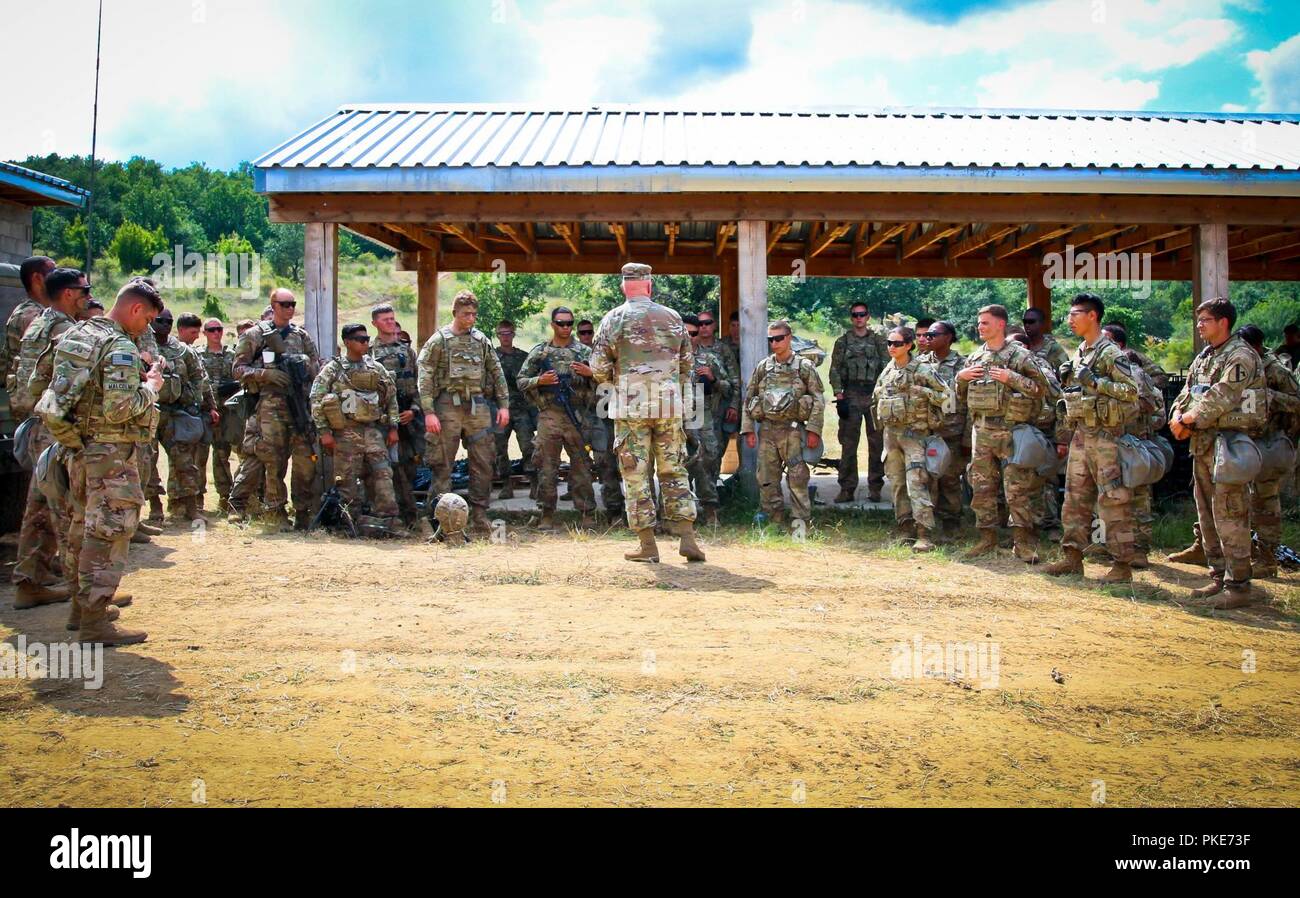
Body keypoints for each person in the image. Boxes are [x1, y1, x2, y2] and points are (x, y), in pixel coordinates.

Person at [38, 277, 166, 645]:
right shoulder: (120, 346)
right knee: (109, 532)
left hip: (77, 447)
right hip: (110, 454)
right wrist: (150, 387)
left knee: (81, 528)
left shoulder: (78, 334)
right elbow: (119, 408)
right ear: (135, 308)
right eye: (147, 319)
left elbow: (47, 388)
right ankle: (95, 621)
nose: (146, 328)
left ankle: (81, 610)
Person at [590, 262, 704, 563]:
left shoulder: (613, 319)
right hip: (668, 405)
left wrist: (619, 380)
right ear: (649, 286)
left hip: (631, 407)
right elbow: (687, 364)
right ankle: (687, 539)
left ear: (623, 286)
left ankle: (648, 545)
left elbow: (598, 367)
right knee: (674, 469)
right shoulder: (673, 317)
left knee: (636, 473)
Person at [1169, 298, 1269, 608]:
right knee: (1207, 514)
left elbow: (1222, 395)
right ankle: (1218, 576)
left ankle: (1238, 586)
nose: (1199, 325)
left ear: (1223, 322)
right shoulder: (1205, 356)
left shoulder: (1240, 355)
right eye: (1199, 319)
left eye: (1205, 320)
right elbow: (1187, 391)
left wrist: (1188, 419)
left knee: (1231, 514)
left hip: (1230, 445)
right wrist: (1176, 416)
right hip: (1203, 444)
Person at [1043, 293, 1141, 582]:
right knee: (1074, 498)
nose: (1069, 320)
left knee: (1112, 499)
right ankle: (1072, 557)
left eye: (1075, 314)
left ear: (1092, 316)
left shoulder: (1110, 353)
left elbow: (1131, 392)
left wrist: (1095, 381)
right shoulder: (1081, 351)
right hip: (1081, 434)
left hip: (1105, 437)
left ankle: (1122, 565)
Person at [9, 267, 88, 608]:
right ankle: (85, 595)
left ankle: (29, 582)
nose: (88, 296)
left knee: (38, 508)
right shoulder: (64, 329)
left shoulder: (38, 323)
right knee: (68, 510)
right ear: (69, 293)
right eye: (84, 290)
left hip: (37, 424)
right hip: (55, 428)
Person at [957, 304, 1050, 561]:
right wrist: (961, 378)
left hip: (1012, 431)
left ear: (1000, 324)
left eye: (985, 322)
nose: (980, 327)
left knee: (1017, 489)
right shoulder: (975, 358)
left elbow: (1042, 389)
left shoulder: (1020, 356)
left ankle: (1022, 542)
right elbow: (962, 397)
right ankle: (987, 539)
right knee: (982, 487)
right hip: (982, 431)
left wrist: (1012, 378)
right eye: (979, 323)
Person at [417, 290, 510, 535]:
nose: (471, 318)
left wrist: (503, 405)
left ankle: (479, 515)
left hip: (477, 407)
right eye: (466, 314)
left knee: (483, 461)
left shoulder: (481, 340)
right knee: (442, 463)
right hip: (447, 406)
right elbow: (425, 375)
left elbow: (496, 372)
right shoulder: (439, 340)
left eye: (474, 314)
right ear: (454, 313)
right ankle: (440, 520)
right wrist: (429, 411)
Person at [227, 288, 321, 530]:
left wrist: (302, 369)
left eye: (293, 304)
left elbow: (316, 367)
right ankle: (275, 512)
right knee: (273, 461)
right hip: (269, 406)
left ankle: (303, 512)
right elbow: (237, 369)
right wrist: (264, 374)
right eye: (284, 304)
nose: (290, 309)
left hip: (298, 405)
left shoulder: (301, 336)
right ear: (274, 306)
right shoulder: (255, 334)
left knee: (305, 460)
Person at [310, 324, 405, 534]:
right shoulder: (333, 369)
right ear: (347, 342)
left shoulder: (375, 368)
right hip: (345, 432)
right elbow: (316, 399)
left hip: (372, 431)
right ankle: (349, 523)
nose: (365, 343)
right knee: (347, 481)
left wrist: (393, 427)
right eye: (360, 339)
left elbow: (391, 397)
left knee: (383, 475)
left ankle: (388, 521)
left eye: (366, 339)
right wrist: (324, 432)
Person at [872, 326, 954, 552]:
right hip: (892, 436)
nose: (892, 347)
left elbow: (947, 397)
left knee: (917, 484)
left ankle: (924, 534)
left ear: (909, 345)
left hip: (915, 436)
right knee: (898, 484)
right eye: (889, 343)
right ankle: (905, 528)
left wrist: (922, 392)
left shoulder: (922, 369)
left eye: (897, 343)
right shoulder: (888, 369)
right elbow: (877, 394)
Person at [742, 318, 825, 531]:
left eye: (779, 338)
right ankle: (773, 519)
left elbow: (818, 399)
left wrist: (814, 430)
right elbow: (749, 397)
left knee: (797, 477)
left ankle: (800, 522)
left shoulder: (804, 366)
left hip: (793, 431)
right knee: (766, 477)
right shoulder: (764, 366)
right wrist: (748, 429)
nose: (774, 343)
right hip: (768, 430)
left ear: (789, 338)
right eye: (770, 339)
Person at [518, 307, 597, 530]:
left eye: (569, 323)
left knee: (581, 465)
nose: (565, 327)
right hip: (549, 414)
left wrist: (591, 374)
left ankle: (586, 513)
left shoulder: (584, 352)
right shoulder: (540, 352)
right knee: (546, 466)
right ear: (552, 324)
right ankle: (546, 514)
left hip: (577, 415)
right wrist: (539, 381)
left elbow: (606, 378)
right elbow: (521, 381)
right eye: (561, 323)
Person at [1238, 325, 1300, 579]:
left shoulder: (1275, 369)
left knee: (1265, 502)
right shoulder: (1242, 364)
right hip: (1244, 442)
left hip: (1269, 443)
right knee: (1242, 502)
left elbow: (1297, 402)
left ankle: (1267, 558)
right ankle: (1248, 552)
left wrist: (1271, 396)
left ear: (1256, 345)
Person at [148, 310, 217, 522]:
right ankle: (155, 507)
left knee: (185, 461)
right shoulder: (141, 346)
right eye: (159, 320)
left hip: (175, 413)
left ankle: (191, 508)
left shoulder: (182, 350)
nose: (164, 324)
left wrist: (197, 401)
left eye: (168, 321)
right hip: (148, 411)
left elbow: (199, 376)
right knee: (147, 460)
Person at [369, 303, 428, 529]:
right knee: (386, 470)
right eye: (385, 319)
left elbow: (419, 386)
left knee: (410, 467)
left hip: (408, 421)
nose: (390, 323)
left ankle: (410, 515)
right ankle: (393, 515)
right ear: (375, 323)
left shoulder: (407, 352)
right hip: (383, 422)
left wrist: (413, 410)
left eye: (392, 318)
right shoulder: (369, 353)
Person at [830, 301, 888, 503]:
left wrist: (884, 395)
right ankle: (847, 488)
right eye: (855, 315)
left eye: (862, 314)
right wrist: (839, 395)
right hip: (851, 394)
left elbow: (887, 368)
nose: (859, 318)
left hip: (873, 395)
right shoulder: (843, 341)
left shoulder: (879, 341)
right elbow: (835, 370)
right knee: (848, 444)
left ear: (868, 316)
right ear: (851, 318)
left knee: (877, 444)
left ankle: (875, 487)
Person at [683, 314, 734, 526]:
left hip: (703, 416)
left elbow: (728, 387)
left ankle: (710, 510)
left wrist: (713, 380)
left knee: (708, 460)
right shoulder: (668, 361)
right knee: (678, 463)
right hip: (677, 418)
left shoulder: (709, 359)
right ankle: (679, 513)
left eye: (693, 334)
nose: (690, 337)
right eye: (685, 333)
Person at [917, 320, 967, 537]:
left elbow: (970, 403)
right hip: (924, 430)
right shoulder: (919, 363)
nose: (927, 338)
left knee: (949, 479)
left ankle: (951, 522)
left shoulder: (963, 365)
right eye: (925, 335)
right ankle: (925, 523)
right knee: (924, 478)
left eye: (932, 335)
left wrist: (967, 437)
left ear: (948, 337)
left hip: (951, 431)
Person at [492, 318, 537, 500]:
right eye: (502, 334)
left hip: (521, 409)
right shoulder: (492, 358)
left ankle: (534, 482)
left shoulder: (523, 357)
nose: (505, 337)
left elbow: (530, 381)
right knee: (499, 449)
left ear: (513, 334)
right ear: (497, 335)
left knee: (528, 446)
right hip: (500, 410)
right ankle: (505, 484)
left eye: (508, 333)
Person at [196, 318, 237, 511]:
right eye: (211, 330)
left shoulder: (231, 354)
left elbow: (240, 378)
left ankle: (225, 496)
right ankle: (197, 497)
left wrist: (232, 386)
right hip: (204, 412)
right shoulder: (197, 354)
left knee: (222, 455)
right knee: (199, 456)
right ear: (204, 333)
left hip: (226, 412)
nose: (216, 333)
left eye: (219, 329)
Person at [1, 256, 56, 395]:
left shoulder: (40, 311)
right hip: (27, 395)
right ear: (37, 278)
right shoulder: (30, 315)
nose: (57, 278)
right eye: (53, 272)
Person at [1102, 323, 1167, 391]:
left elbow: (1161, 378)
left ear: (1118, 344)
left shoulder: (1127, 355)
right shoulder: (1106, 356)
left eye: (1105, 340)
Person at [1021, 308, 1070, 372]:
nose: (1027, 325)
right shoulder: (1021, 345)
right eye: (1025, 321)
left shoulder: (1054, 349)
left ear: (1041, 323)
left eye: (1031, 322)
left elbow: (1066, 373)